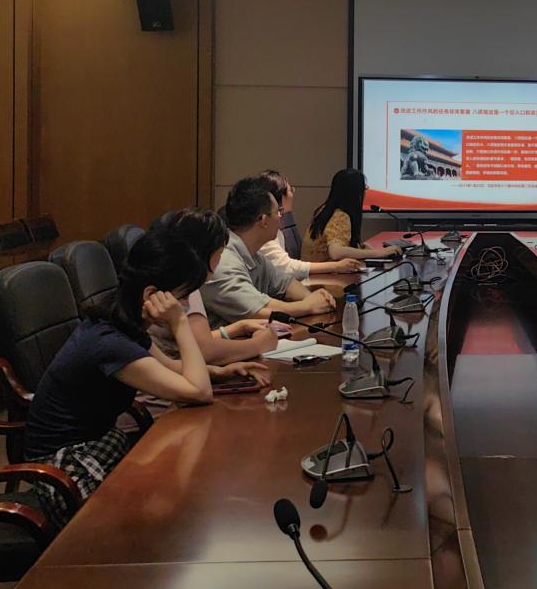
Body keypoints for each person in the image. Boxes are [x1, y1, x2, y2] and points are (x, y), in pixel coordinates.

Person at [24, 226, 270, 526]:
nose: (185, 306)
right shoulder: (110, 343)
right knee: (168, 511)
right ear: (152, 295)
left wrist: (221, 372)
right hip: (65, 470)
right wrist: (179, 324)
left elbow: (171, 368)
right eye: (182, 298)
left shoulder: (122, 321)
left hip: (95, 445)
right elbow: (198, 393)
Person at [199, 177, 338, 327]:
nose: (281, 217)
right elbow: (256, 311)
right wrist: (307, 306)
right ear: (264, 220)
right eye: (278, 212)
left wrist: (312, 298)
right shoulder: (222, 261)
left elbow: (285, 283)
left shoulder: (254, 255)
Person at [149, 209, 279, 364]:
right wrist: (259, 344)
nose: (220, 261)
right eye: (220, 254)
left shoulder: (169, 271)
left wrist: (237, 328)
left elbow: (191, 339)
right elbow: (205, 351)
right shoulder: (186, 282)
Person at [256, 170, 364, 279]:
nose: (292, 193)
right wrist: (336, 266)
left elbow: (291, 261)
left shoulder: (274, 227)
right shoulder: (264, 230)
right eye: (289, 190)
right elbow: (286, 267)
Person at [301, 168, 403, 262]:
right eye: (364, 188)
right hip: (323, 274)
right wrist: (379, 253)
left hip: (313, 271)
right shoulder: (340, 216)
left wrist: (360, 250)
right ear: (356, 193)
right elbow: (336, 253)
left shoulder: (324, 210)